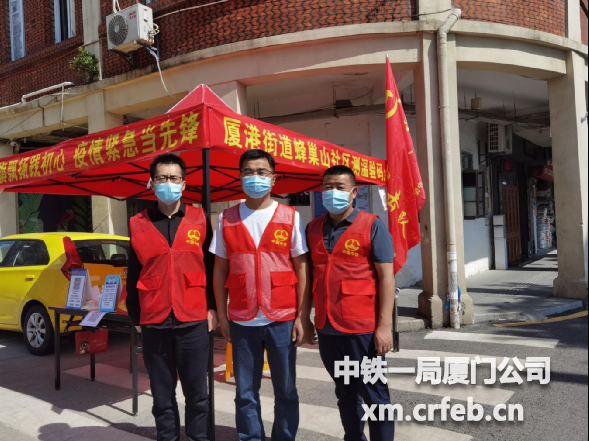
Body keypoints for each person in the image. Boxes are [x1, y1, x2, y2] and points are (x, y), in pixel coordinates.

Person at [210, 149, 313, 441]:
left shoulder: (290, 216)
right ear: (240, 177)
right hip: (242, 319)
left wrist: (301, 316)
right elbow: (220, 269)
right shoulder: (227, 218)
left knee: (286, 391)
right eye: (248, 172)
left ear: (273, 178)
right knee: (245, 393)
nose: (255, 177)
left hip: (282, 318)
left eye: (261, 172)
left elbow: (301, 267)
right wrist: (222, 316)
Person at [126, 153, 218, 441]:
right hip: (154, 320)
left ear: (184, 183)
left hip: (193, 320)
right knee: (162, 397)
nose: (168, 183)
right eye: (162, 178)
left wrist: (214, 308)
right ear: (152, 183)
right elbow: (133, 273)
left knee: (198, 396)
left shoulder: (200, 219)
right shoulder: (137, 222)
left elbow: (211, 267)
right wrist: (136, 317)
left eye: (174, 178)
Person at [306, 165, 396, 441]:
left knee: (374, 394)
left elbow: (387, 278)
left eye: (339, 187)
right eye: (327, 187)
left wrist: (384, 327)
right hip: (328, 328)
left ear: (354, 192)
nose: (332, 192)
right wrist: (305, 319)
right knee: (345, 392)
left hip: (363, 330)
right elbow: (309, 278)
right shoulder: (313, 228)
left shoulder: (372, 225)